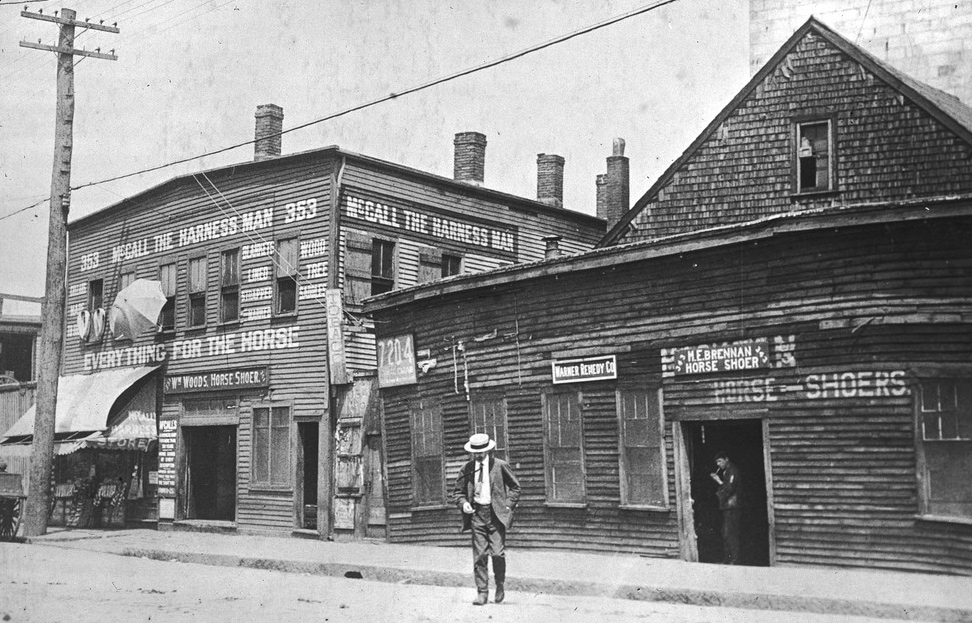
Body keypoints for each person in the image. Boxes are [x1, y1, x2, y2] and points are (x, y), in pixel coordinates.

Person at [453, 433, 521, 606]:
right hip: (477, 515)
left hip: (496, 516)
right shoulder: (467, 468)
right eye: (475, 452)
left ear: (489, 450)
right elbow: (458, 493)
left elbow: (515, 487)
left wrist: (508, 506)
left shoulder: (500, 466)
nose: (478, 455)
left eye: (481, 451)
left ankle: (499, 585)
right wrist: (464, 504)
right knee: (480, 556)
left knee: (497, 553)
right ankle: (482, 593)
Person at [710, 450, 742, 565]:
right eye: (717, 462)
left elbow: (729, 489)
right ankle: (728, 559)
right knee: (725, 533)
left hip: (732, 506)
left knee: (730, 533)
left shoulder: (732, 471)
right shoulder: (726, 471)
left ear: (726, 459)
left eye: (720, 461)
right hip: (727, 507)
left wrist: (718, 481)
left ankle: (734, 559)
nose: (718, 464)